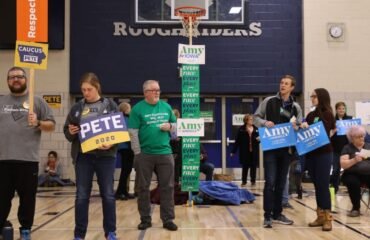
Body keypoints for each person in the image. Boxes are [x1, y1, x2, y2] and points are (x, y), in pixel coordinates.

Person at [0, 66, 55, 240]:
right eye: (12, 77)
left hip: (27, 160)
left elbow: (51, 125)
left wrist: (38, 122)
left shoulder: (37, 101)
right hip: (3, 160)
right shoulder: (1, 101)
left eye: (19, 76)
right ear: (8, 81)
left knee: (27, 199)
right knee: (1, 199)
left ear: (25, 79)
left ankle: (26, 229)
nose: (16, 79)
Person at [63, 72, 118, 240]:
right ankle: (79, 235)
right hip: (83, 158)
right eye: (83, 90)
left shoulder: (110, 106)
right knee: (81, 196)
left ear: (97, 87)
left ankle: (110, 232)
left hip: (106, 157)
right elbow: (67, 131)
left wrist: (112, 143)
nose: (86, 93)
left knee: (108, 195)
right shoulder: (77, 108)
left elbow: (119, 131)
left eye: (89, 89)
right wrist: (71, 132)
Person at [128, 80, 178, 231]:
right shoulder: (137, 109)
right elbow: (133, 133)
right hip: (145, 155)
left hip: (165, 153)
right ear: (145, 93)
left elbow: (175, 127)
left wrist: (170, 127)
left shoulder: (166, 107)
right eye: (153, 90)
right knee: (143, 188)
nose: (157, 92)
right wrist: (138, 153)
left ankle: (168, 219)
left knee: (168, 187)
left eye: (158, 90)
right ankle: (145, 219)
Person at [253, 75, 302, 228]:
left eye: (286, 84)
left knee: (281, 183)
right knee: (270, 182)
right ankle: (267, 215)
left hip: (286, 150)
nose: (283, 85)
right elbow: (255, 118)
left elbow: (299, 125)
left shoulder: (296, 107)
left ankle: (277, 213)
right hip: (271, 148)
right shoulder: (268, 101)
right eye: (282, 83)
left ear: (292, 87)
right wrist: (264, 122)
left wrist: (297, 127)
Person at [301, 88, 336, 231]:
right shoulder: (310, 114)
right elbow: (305, 131)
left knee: (323, 185)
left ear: (321, 97)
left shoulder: (328, 114)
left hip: (324, 154)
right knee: (316, 185)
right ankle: (320, 216)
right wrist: (300, 126)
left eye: (314, 96)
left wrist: (308, 127)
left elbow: (324, 130)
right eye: (311, 96)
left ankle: (328, 218)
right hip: (311, 153)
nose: (312, 98)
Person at [340, 125, 370, 217]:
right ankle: (356, 208)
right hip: (351, 173)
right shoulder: (347, 148)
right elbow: (343, 164)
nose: (362, 138)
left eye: (363, 136)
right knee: (352, 182)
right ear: (352, 138)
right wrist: (354, 160)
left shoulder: (368, 146)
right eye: (359, 136)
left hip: (367, 173)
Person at [230, 114, 259, 186]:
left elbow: (260, 139)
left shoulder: (256, 129)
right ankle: (244, 181)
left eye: (252, 119)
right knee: (245, 166)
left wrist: (259, 140)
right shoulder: (241, 129)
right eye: (250, 119)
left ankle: (253, 181)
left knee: (253, 166)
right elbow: (237, 141)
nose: (252, 121)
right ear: (246, 121)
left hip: (254, 151)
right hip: (245, 151)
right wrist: (233, 151)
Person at [330, 102, 352, 193]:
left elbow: (354, 132)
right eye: (339, 109)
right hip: (336, 149)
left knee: (349, 169)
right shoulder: (333, 120)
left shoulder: (350, 119)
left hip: (347, 149)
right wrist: (334, 131)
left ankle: (351, 187)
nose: (341, 110)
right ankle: (334, 187)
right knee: (335, 170)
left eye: (343, 108)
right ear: (336, 110)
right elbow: (329, 135)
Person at [115, 102, 135, 200]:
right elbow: (129, 133)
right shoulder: (125, 118)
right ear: (126, 109)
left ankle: (123, 191)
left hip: (123, 147)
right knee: (125, 170)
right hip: (126, 146)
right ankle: (120, 192)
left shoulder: (121, 118)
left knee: (127, 170)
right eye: (129, 108)